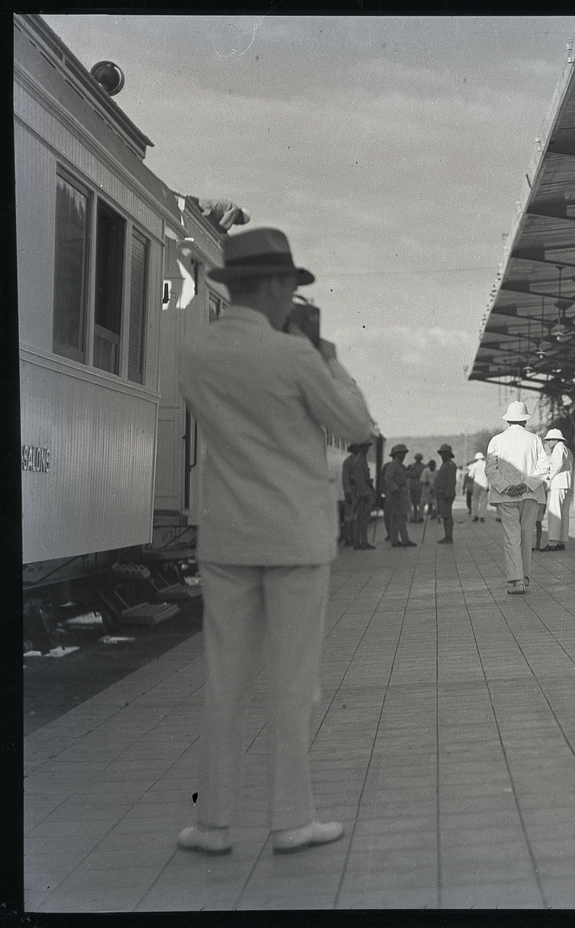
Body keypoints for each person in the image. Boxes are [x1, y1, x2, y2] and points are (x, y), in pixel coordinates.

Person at [177, 227, 376, 855]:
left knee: (223, 683)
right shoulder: (294, 357)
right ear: (268, 285)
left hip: (227, 537)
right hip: (294, 538)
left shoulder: (196, 353)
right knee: (291, 685)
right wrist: (329, 357)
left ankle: (212, 825)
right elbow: (357, 427)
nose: (294, 298)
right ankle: (291, 821)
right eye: (290, 286)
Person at [486, 401, 550, 595]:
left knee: (511, 537)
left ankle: (516, 580)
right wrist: (526, 485)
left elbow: (490, 469)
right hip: (530, 494)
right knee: (526, 535)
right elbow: (544, 467)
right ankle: (525, 575)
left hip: (506, 497)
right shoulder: (535, 439)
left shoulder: (497, 440)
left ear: (508, 420)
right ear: (525, 420)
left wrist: (507, 487)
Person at [539, 428, 573, 552]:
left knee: (554, 513)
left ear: (555, 439)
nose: (548, 443)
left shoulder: (558, 449)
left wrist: (549, 476)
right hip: (566, 484)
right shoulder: (567, 450)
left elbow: (558, 464)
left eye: (549, 440)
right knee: (563, 514)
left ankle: (553, 542)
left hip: (558, 484)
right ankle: (562, 540)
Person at [382, 444, 416, 548]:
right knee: (401, 516)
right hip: (397, 493)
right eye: (402, 453)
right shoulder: (394, 465)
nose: (404, 455)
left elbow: (404, 476)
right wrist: (395, 488)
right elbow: (388, 477)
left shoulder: (399, 465)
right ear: (397, 454)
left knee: (395, 518)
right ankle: (404, 540)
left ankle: (395, 540)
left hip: (400, 492)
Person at [349, 443, 375, 550]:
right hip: (363, 492)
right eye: (365, 447)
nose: (367, 449)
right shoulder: (359, 461)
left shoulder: (361, 459)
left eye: (368, 447)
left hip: (363, 490)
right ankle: (362, 543)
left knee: (360, 519)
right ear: (360, 448)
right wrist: (364, 494)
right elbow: (359, 480)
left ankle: (358, 542)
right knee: (363, 519)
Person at [432, 444, 457, 544]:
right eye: (441, 454)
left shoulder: (450, 465)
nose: (442, 456)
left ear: (449, 454)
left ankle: (449, 537)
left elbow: (451, 482)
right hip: (441, 494)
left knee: (447, 516)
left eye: (444, 454)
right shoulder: (445, 464)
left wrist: (448, 494)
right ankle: (447, 536)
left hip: (446, 495)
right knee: (444, 516)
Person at [464, 451, 489, 522]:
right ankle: (482, 516)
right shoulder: (486, 464)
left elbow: (470, 475)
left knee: (475, 500)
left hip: (476, 484)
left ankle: (475, 515)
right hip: (484, 485)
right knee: (483, 501)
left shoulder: (474, 465)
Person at [406, 453, 425, 523]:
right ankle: (413, 517)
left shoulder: (423, 466)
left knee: (419, 502)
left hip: (418, 483)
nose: (418, 460)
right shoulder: (412, 466)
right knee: (413, 502)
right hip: (412, 483)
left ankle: (419, 517)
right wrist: (410, 470)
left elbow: (421, 474)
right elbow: (407, 474)